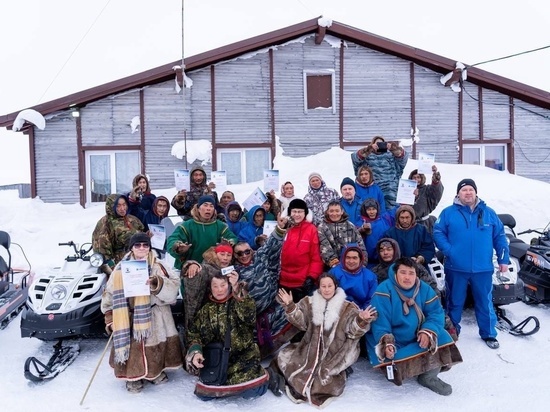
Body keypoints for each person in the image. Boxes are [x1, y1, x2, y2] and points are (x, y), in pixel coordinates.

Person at [268, 273, 377, 407]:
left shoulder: (348, 308)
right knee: (289, 364)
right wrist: (290, 306)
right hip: (311, 349)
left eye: (329, 286)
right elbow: (301, 322)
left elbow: (353, 332)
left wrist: (361, 320)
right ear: (319, 287)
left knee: (321, 382)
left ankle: (339, 371)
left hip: (334, 353)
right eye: (323, 286)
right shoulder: (309, 302)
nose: (326, 289)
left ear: (335, 286)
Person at [366, 257, 462, 396]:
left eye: (411, 273)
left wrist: (428, 331)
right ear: (395, 273)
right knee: (391, 364)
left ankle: (428, 376)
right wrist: (387, 344)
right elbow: (380, 324)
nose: (407, 277)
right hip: (395, 340)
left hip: (417, 336)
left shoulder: (424, 289)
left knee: (442, 336)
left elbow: (436, 313)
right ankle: (404, 365)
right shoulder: (383, 291)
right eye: (403, 272)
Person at [100, 233, 183, 393]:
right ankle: (134, 376)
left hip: (156, 314)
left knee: (155, 345)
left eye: (145, 245)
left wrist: (156, 284)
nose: (142, 248)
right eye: (137, 245)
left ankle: (155, 372)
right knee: (134, 348)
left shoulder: (159, 265)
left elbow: (174, 287)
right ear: (131, 247)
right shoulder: (120, 268)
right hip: (128, 316)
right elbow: (109, 293)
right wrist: (110, 316)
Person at [433, 178, 509, 349]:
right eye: (464, 190)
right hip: (456, 267)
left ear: (475, 192)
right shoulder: (448, 213)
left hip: (483, 268)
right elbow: (438, 232)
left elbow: (500, 237)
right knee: (455, 301)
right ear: (458, 194)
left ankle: (489, 333)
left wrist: (503, 259)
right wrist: (450, 251)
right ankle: (452, 332)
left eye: (470, 189)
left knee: (484, 301)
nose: (467, 192)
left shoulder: (488, 213)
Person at [185, 271, 269, 400]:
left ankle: (269, 376)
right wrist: (196, 352)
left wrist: (238, 290)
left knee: (253, 391)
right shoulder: (205, 310)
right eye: (215, 286)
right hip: (217, 360)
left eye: (223, 285)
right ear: (210, 288)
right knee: (204, 395)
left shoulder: (239, 302)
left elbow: (248, 316)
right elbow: (194, 333)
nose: (219, 290)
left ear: (229, 285)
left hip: (243, 358)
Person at [233, 217, 297, 357]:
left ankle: (286, 349)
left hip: (272, 308)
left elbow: (270, 245)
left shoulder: (260, 257)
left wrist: (280, 229)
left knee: (294, 315)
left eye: (247, 252)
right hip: (253, 316)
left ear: (251, 251)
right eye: (239, 253)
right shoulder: (234, 271)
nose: (244, 255)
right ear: (235, 256)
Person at [166, 195, 237, 276]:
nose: (208, 208)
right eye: (205, 205)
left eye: (211, 206)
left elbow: (232, 238)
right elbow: (172, 239)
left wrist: (230, 242)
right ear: (198, 208)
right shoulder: (187, 225)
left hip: (214, 271)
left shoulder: (220, 226)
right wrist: (178, 247)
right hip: (191, 270)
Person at [179, 242, 235, 337]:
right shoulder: (206, 268)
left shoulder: (231, 270)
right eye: (222, 254)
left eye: (229, 255)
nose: (225, 258)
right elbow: (194, 270)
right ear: (215, 255)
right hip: (203, 316)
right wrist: (191, 265)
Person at [279, 199, 324, 302]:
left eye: (300, 212)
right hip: (283, 280)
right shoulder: (283, 229)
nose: (297, 214)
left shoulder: (311, 229)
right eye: (294, 211)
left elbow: (316, 258)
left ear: (305, 213)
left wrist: (312, 277)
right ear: (290, 212)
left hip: (302, 281)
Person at [92, 194, 144, 275]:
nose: (122, 208)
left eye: (124, 205)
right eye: (118, 206)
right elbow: (103, 251)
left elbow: (141, 236)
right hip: (119, 266)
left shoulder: (133, 219)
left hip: (137, 263)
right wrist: (114, 271)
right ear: (112, 206)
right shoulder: (105, 223)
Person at [351, 135, 408, 209]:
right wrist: (368, 149)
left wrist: (394, 148)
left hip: (391, 193)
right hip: (373, 192)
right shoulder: (367, 157)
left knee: (391, 215)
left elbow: (403, 158)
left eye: (382, 143)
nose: (379, 146)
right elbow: (356, 159)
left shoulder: (391, 156)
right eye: (377, 144)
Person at [317, 200, 367, 269]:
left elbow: (360, 245)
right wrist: (336, 265)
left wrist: (362, 264)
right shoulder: (322, 227)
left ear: (342, 212)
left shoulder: (350, 225)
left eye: (337, 211)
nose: (334, 214)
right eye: (331, 211)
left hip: (352, 263)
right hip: (332, 266)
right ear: (327, 212)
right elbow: (325, 247)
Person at [329, 245, 377, 310]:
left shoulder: (370, 277)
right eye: (348, 257)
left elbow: (372, 299)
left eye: (355, 258)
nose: (351, 261)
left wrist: (361, 313)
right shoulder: (334, 273)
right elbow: (327, 293)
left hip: (361, 311)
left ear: (360, 259)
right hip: (337, 309)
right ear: (343, 258)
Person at [358, 198, 397, 267]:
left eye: (374, 209)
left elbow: (398, 209)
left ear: (377, 209)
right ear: (365, 210)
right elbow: (355, 234)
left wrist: (409, 196)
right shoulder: (360, 222)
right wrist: (362, 229)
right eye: (369, 210)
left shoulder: (385, 218)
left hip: (387, 258)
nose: (372, 212)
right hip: (369, 262)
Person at [409, 166, 444, 233]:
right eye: (414, 177)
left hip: (424, 224)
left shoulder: (426, 189)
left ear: (422, 178)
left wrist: (435, 180)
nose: (416, 179)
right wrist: (414, 197)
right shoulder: (406, 190)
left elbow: (436, 192)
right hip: (409, 224)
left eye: (418, 177)